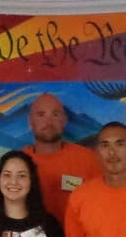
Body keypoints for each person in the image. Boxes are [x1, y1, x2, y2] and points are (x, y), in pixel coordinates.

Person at [21, 93, 102, 225]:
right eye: (41, 115)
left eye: (55, 114)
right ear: (30, 122)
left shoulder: (88, 159)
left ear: (64, 120)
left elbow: (104, 207)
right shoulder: (16, 163)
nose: (48, 122)